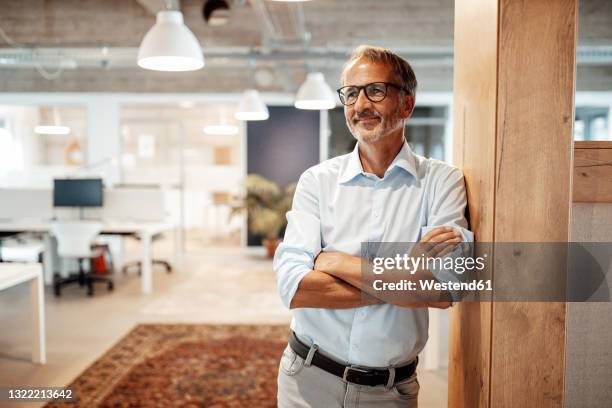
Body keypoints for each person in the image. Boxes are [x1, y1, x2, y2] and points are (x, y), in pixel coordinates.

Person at [273, 45, 472, 408]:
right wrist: (404, 278)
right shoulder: (316, 181)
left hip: (391, 393)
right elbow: (294, 287)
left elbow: (448, 288)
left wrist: (333, 263)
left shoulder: (442, 182)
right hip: (306, 381)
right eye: (350, 93)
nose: (360, 104)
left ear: (407, 104)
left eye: (375, 90)